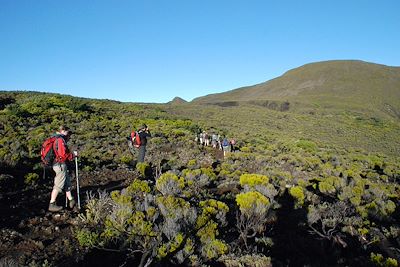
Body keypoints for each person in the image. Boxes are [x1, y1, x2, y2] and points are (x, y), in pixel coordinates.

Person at [48, 126, 77, 212]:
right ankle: (52, 204)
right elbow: (62, 155)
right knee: (58, 185)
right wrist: (73, 155)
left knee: (66, 182)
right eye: (67, 132)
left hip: (59, 164)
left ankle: (71, 201)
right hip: (60, 165)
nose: (68, 135)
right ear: (63, 131)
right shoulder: (60, 140)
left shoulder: (56, 138)